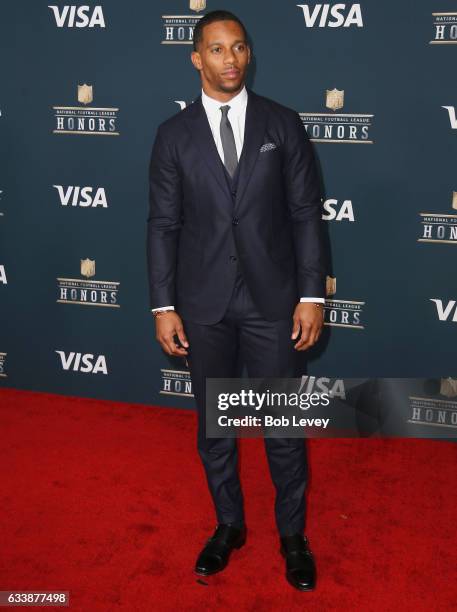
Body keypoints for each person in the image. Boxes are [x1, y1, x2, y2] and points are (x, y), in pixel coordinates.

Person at [146, 10, 326, 592]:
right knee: (215, 430)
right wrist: (163, 305)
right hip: (203, 304)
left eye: (239, 48)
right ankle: (229, 526)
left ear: (249, 55)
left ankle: (292, 535)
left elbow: (304, 215)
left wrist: (309, 293)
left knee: (280, 427)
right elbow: (163, 224)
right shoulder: (173, 134)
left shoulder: (284, 123)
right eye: (217, 50)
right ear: (197, 59)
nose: (230, 59)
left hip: (274, 301)